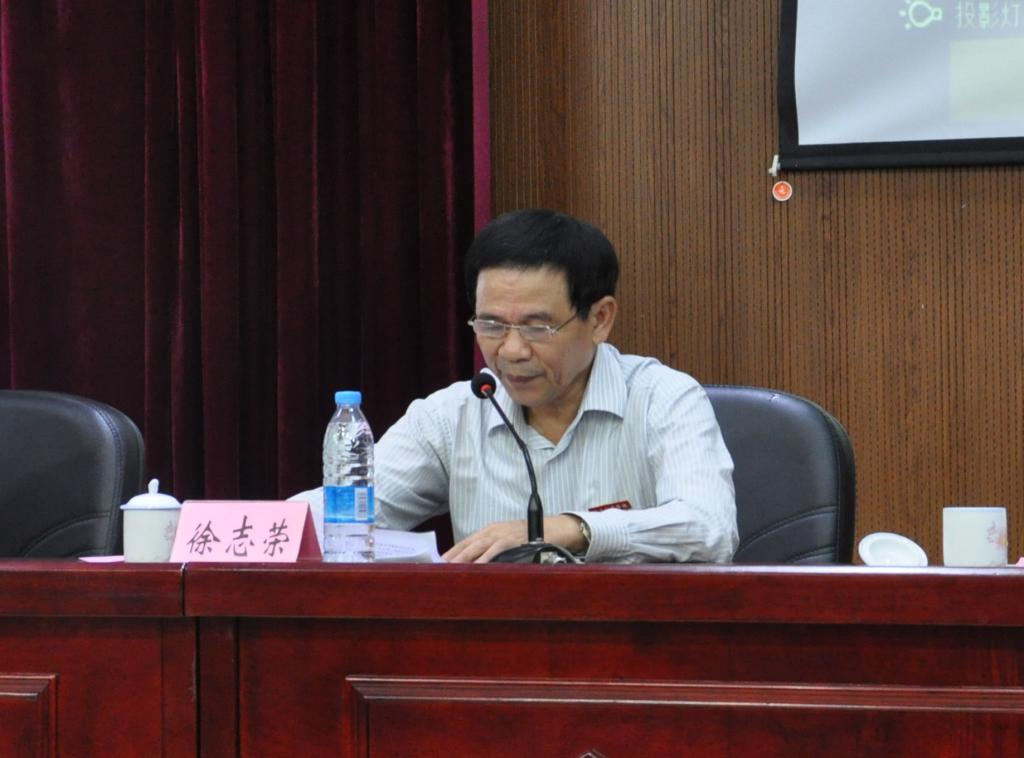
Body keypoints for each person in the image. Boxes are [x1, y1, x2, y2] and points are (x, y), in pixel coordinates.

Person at [297, 209, 738, 563]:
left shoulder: (664, 399)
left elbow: (709, 527)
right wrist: (270, 526)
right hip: (490, 643)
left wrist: (567, 529)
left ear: (600, 319)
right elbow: (341, 515)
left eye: (537, 327)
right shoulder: (453, 415)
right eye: (491, 325)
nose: (511, 351)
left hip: (630, 642)